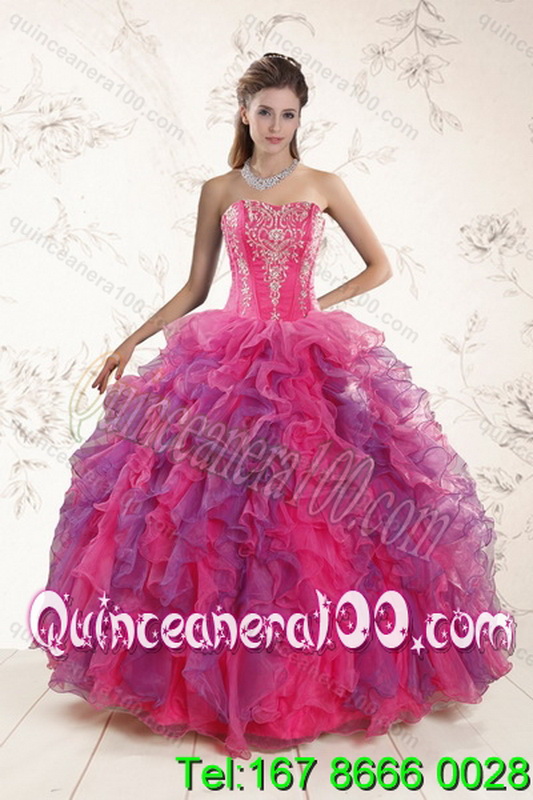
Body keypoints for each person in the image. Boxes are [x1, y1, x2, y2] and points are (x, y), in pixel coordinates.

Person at [29, 52, 515, 761]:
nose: (277, 125)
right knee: (212, 520)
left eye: (289, 114)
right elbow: (196, 288)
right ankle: (218, 681)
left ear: (299, 117)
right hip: (227, 363)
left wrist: (318, 310)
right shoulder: (219, 190)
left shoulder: (324, 184)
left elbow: (379, 265)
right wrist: (129, 343)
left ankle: (319, 678)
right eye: (265, 112)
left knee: (321, 518)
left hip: (306, 361)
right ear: (244, 113)